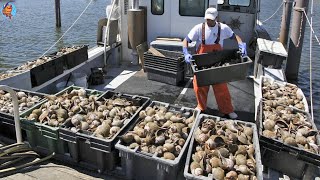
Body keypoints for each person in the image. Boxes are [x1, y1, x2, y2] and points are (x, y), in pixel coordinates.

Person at [182, 7, 247, 119]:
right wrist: (185, 52)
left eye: (211, 19)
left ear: (216, 18)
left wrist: (241, 44)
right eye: (207, 19)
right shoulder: (199, 28)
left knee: (221, 87)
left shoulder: (223, 28)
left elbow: (235, 37)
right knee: (199, 86)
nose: (209, 21)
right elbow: (186, 40)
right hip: (202, 62)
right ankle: (201, 107)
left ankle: (227, 110)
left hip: (217, 62)